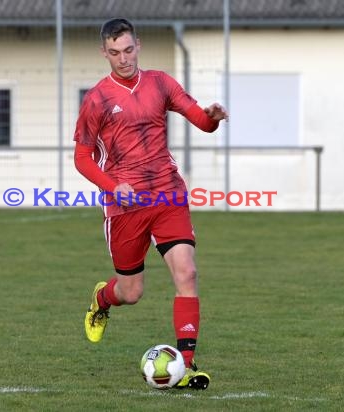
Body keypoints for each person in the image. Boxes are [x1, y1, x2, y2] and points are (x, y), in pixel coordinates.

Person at [73, 18, 228, 390]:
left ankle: (186, 366)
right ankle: (102, 298)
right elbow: (82, 158)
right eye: (114, 53)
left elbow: (200, 122)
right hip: (125, 206)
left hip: (167, 193)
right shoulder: (96, 99)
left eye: (128, 50)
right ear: (104, 53)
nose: (123, 59)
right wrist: (114, 186)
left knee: (187, 273)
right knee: (132, 292)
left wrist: (212, 117)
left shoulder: (161, 83)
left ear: (138, 45)